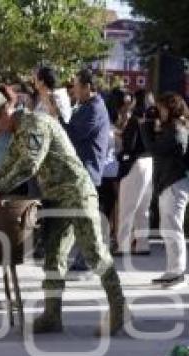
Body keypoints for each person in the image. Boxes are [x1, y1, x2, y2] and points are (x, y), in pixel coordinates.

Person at [0, 86, 127, 336]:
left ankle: (119, 308)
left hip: (77, 194)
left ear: (4, 112)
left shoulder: (36, 123)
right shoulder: (19, 134)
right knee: (54, 257)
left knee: (94, 252)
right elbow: (4, 168)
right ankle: (52, 316)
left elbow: (30, 164)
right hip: (55, 198)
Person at [140, 92, 189, 289]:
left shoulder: (177, 130)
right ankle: (172, 271)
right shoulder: (172, 128)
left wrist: (145, 126)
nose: (158, 112)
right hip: (169, 183)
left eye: (161, 108)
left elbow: (154, 149)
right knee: (167, 229)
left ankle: (178, 274)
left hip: (175, 184)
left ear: (171, 109)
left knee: (173, 229)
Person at [66, 68, 111, 273]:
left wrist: (58, 117)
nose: (73, 90)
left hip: (88, 168)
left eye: (76, 86)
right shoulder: (84, 105)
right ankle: (87, 257)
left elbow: (75, 133)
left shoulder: (94, 108)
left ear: (87, 87)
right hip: (80, 169)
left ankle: (89, 259)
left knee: (85, 216)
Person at [116, 89, 155, 256]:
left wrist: (121, 138)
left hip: (135, 164)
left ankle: (123, 245)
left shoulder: (135, 120)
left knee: (127, 207)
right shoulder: (154, 119)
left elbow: (129, 146)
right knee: (143, 208)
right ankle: (142, 244)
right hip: (150, 162)